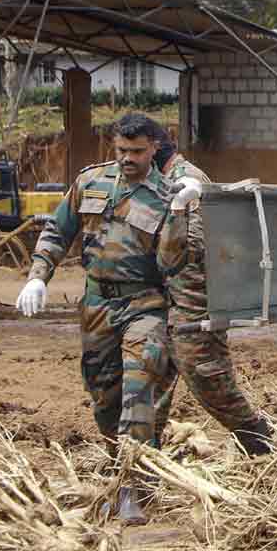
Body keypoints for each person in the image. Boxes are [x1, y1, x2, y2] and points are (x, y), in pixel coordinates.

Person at [14, 113, 184, 524]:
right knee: (104, 397)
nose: (128, 158)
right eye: (122, 150)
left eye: (137, 151)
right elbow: (57, 230)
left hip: (144, 304)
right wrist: (38, 277)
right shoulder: (90, 182)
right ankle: (125, 464)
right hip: (96, 306)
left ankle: (132, 488)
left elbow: (174, 263)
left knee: (138, 387)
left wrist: (179, 216)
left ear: (153, 149)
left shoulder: (165, 198)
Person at [153, 130, 273, 456]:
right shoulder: (167, 180)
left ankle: (264, 448)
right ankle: (142, 464)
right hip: (169, 306)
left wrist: (189, 315)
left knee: (211, 382)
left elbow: (190, 253)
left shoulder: (185, 179)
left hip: (191, 307)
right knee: (150, 385)